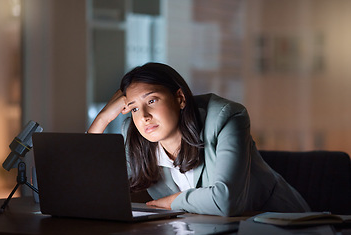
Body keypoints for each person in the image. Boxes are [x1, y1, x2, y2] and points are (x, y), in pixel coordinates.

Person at [88, 62, 310, 216]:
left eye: (152, 101)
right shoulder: (135, 134)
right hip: (207, 228)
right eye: (134, 108)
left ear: (180, 98)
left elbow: (226, 201)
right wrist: (103, 118)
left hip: (278, 223)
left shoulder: (226, 117)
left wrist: (172, 201)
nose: (144, 117)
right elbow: (92, 188)